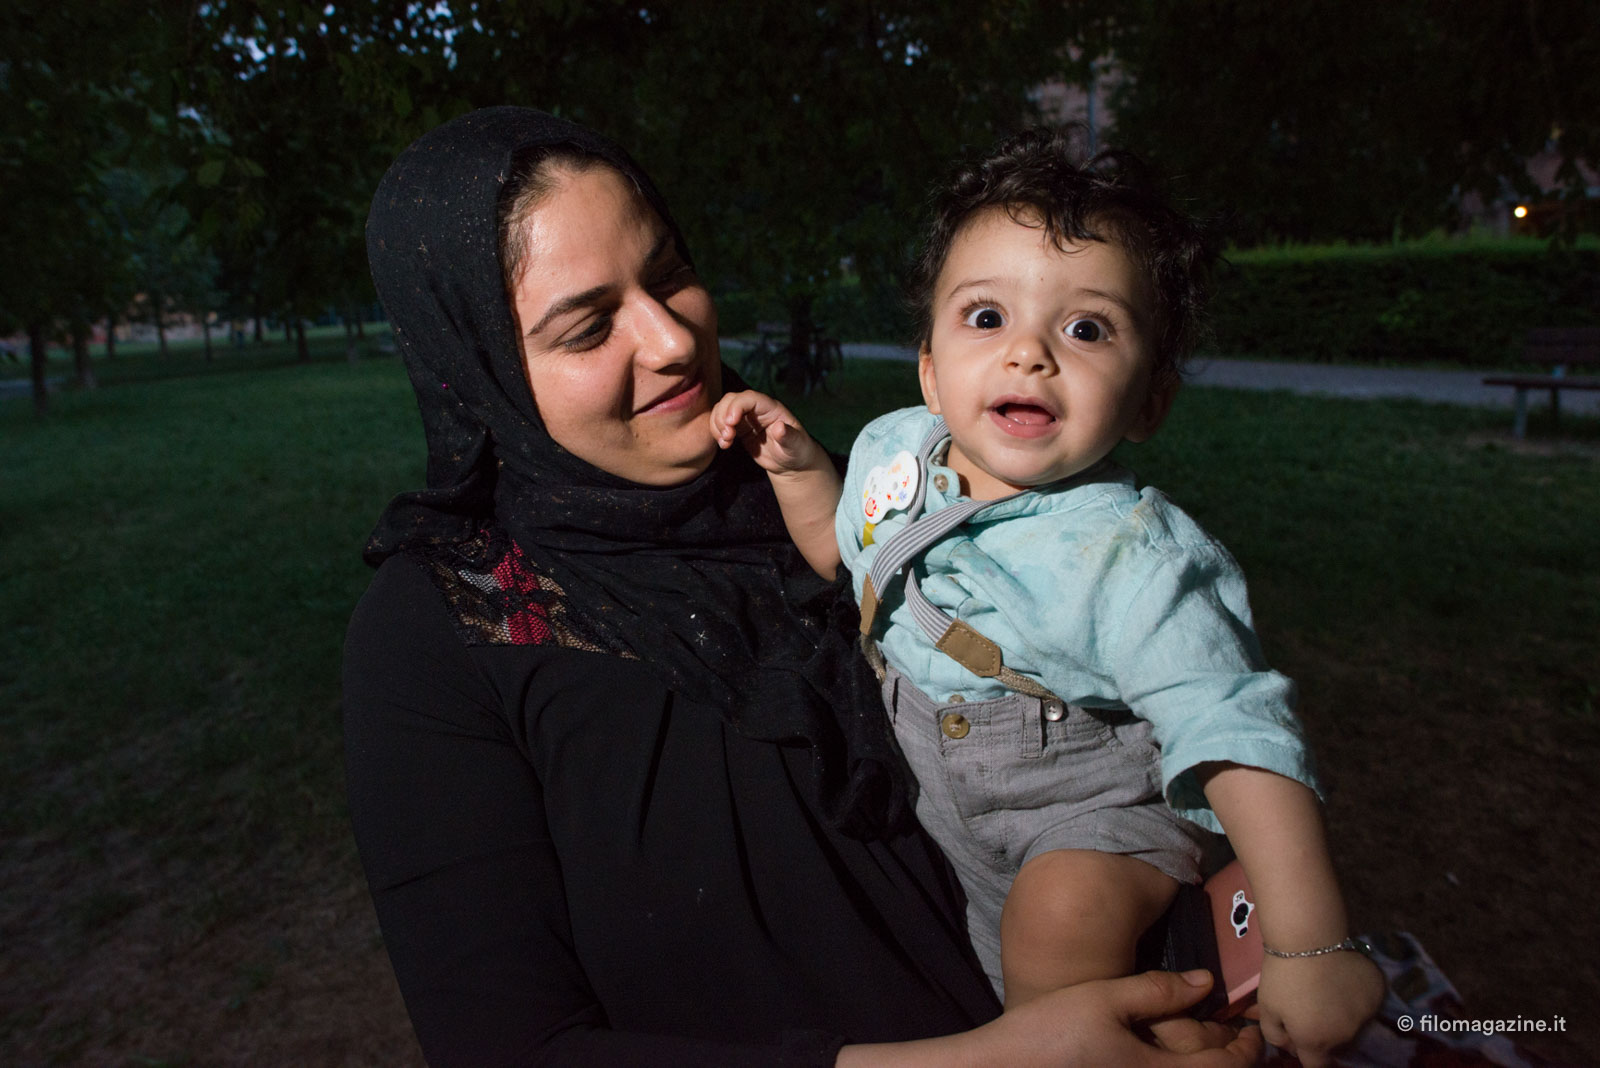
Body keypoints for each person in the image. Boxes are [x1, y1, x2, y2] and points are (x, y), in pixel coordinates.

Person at [344, 107, 1264, 1066]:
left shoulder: (833, 501)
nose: (670, 340)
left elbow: (1098, 747)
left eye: (669, 274)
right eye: (587, 328)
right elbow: (511, 1048)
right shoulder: (445, 630)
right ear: (480, 369)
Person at [711, 128, 1385, 1065]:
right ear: (930, 371)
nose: (1028, 353)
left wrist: (1309, 944)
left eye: (1086, 329)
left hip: (1087, 808)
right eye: (987, 316)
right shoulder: (895, 451)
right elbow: (845, 556)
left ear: (1149, 402)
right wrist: (797, 474)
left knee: (1059, 925)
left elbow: (1236, 731)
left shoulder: (1133, 556)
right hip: (936, 800)